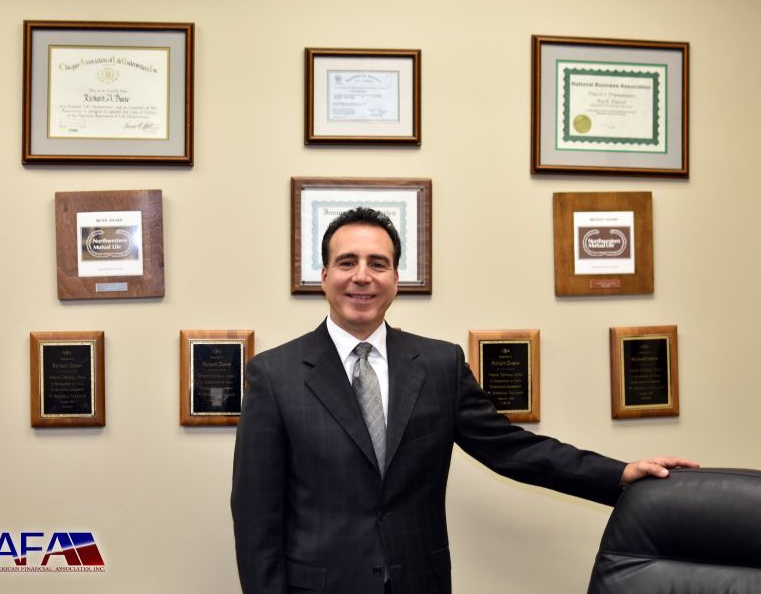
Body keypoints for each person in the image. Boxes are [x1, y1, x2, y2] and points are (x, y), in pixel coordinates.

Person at [231, 207, 697, 594]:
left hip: (421, 582)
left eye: (378, 263)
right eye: (347, 262)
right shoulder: (275, 375)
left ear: (396, 277)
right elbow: (256, 514)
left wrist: (618, 474)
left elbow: (512, 449)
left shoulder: (438, 365)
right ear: (324, 274)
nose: (362, 277)